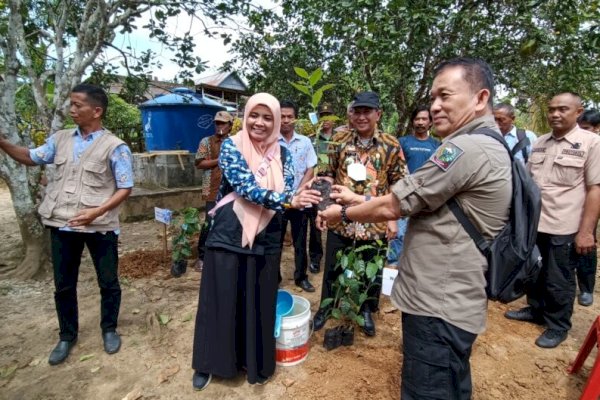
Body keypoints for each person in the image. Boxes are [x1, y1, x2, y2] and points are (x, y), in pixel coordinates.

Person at [318, 57, 511, 399]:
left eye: (445, 96)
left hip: (440, 301)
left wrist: (345, 211)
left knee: (429, 387)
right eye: (433, 98)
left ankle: (365, 311)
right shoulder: (484, 145)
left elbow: (396, 200)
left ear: (480, 99)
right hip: (446, 294)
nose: (435, 107)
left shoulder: (464, 148)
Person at [190, 93, 321, 391]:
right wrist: (289, 199)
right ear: (244, 116)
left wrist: (298, 198)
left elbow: (288, 186)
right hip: (229, 232)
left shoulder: (284, 154)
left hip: (268, 235)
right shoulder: (231, 147)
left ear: (276, 122)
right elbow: (246, 187)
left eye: (267, 117)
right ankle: (210, 363)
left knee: (258, 299)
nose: (259, 122)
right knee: (220, 300)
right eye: (254, 115)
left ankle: (253, 361)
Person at [0, 84, 134, 365]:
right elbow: (31, 157)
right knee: (63, 285)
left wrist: (96, 212)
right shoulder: (60, 139)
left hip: (100, 227)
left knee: (108, 282)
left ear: (96, 111)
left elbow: (125, 187)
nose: (71, 110)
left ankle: (109, 329)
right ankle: (67, 336)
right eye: (71, 104)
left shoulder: (115, 147)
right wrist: (3, 142)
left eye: (77, 105)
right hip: (61, 224)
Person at [505, 93, 600, 347]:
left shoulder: (591, 143)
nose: (555, 114)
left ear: (578, 112)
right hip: (535, 224)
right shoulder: (541, 143)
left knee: (559, 278)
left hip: (565, 225)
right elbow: (527, 184)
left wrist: (587, 232)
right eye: (551, 109)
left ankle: (558, 325)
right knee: (534, 272)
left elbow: (595, 189)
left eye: (562, 109)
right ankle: (535, 310)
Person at [312, 91, 406, 337]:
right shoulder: (339, 139)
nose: (362, 116)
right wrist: (322, 210)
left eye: (367, 111)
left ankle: (366, 310)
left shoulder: (391, 144)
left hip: (375, 220)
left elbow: (399, 184)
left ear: (378, 114)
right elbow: (325, 176)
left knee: (372, 267)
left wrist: (392, 219)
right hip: (340, 217)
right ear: (351, 114)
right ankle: (326, 307)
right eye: (357, 111)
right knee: (333, 264)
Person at [387, 105, 440, 266]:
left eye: (424, 119)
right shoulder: (402, 142)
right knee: (399, 233)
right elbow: (393, 169)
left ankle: (415, 265)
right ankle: (394, 265)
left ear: (430, 122)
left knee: (422, 233)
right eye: (417, 119)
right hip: (404, 196)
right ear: (412, 122)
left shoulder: (437, 145)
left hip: (426, 198)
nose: (420, 122)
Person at [277, 100, 318, 292]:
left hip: (300, 200)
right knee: (274, 240)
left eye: (289, 116)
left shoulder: (305, 142)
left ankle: (301, 276)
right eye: (282, 116)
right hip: (276, 201)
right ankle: (273, 277)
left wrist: (299, 191)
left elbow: (311, 167)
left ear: (295, 118)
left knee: (300, 240)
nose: (286, 120)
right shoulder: (269, 141)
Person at [194, 110, 234, 272]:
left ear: (230, 125)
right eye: (217, 123)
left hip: (230, 188)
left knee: (227, 221)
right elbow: (199, 163)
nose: (219, 126)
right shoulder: (207, 142)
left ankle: (223, 254)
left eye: (223, 123)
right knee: (209, 222)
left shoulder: (234, 141)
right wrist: (219, 160)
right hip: (212, 187)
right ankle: (202, 256)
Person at [575, 108, 600, 306]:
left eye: (586, 129)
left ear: (597, 128)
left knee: (586, 244)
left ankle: (586, 288)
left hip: (592, 203)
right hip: (572, 203)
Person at [307, 102, 335, 273]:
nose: (325, 120)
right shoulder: (312, 139)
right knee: (315, 223)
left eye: (328, 116)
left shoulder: (340, 138)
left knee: (335, 220)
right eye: (322, 116)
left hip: (334, 184)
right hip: (316, 185)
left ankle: (333, 257)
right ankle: (316, 259)